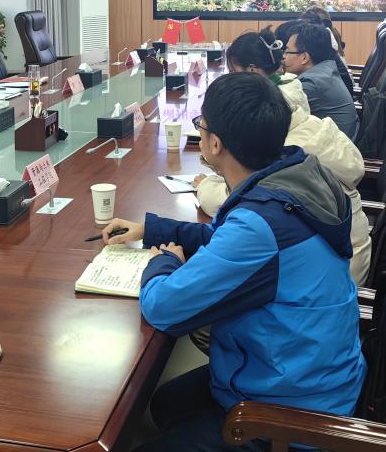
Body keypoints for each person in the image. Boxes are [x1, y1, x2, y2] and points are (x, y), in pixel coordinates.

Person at [103, 73, 364, 452]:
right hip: (310, 374)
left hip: (292, 415)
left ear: (215, 143)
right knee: (165, 405)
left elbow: (163, 308)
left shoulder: (262, 223)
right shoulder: (294, 177)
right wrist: (154, 229)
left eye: (201, 125)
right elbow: (231, 242)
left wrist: (165, 263)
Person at [194, 29, 370, 284]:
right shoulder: (298, 116)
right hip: (333, 262)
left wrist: (206, 184)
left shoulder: (287, 149)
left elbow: (235, 202)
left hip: (330, 280)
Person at [280, 21, 360, 139]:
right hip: (343, 140)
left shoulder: (311, 84)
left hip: (333, 147)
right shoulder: (326, 70)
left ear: (304, 57)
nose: (283, 56)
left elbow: (277, 113)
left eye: (287, 51)